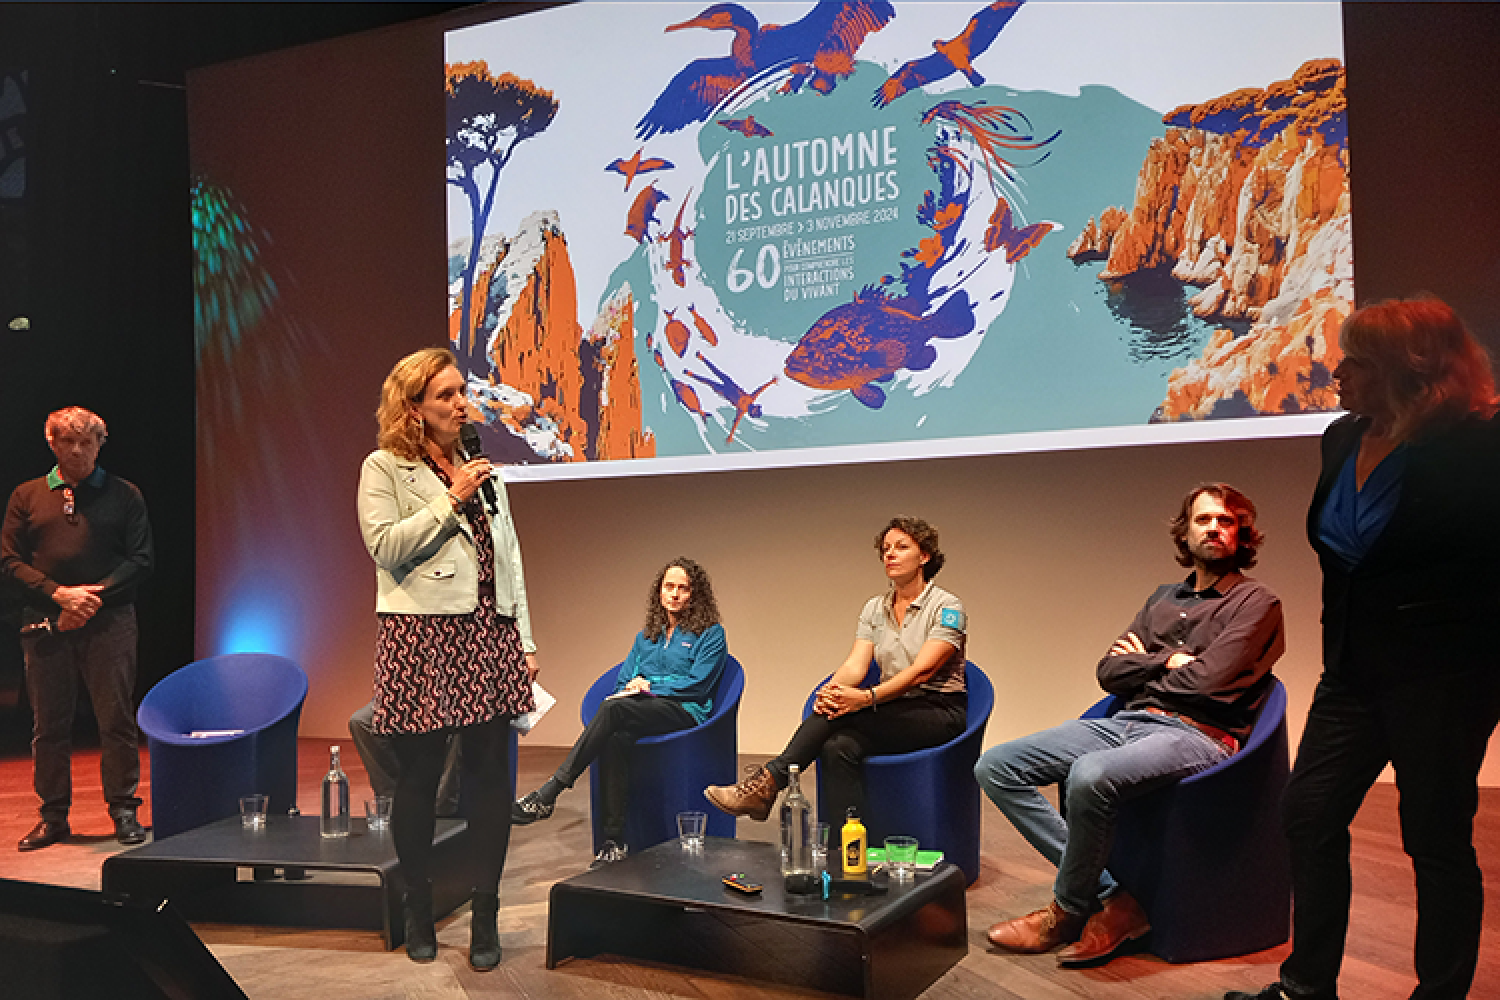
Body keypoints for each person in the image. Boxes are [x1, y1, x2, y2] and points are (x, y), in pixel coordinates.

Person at [1228, 297, 1500, 1000]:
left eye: (1356, 360)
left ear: (1410, 373)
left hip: (1443, 681)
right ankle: (1305, 987)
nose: (1338, 369)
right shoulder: (1341, 436)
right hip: (1351, 672)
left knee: (1435, 841)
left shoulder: (1477, 449)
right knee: (1308, 815)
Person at [978, 483, 1284, 967]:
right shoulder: (1162, 599)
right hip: (1126, 720)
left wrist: (1149, 663)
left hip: (1195, 734)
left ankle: (1067, 910)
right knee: (996, 766)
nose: (1214, 529)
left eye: (1226, 522)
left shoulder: (1257, 603)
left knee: (1090, 775)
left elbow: (1209, 684)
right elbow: (1108, 672)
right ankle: (1115, 898)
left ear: (1242, 535)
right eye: (1203, 520)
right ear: (1185, 532)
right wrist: (1171, 662)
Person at [358, 347, 537, 970]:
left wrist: (526, 639)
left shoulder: (480, 465)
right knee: (419, 775)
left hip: (488, 633)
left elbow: (508, 556)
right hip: (422, 633)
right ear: (414, 406)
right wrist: (450, 498)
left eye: (463, 392)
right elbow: (384, 547)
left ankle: (484, 911)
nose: (464, 403)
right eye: (448, 395)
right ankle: (416, 901)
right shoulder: (385, 466)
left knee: (490, 774)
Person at [704, 516, 966, 827]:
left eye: (900, 547)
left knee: (842, 715)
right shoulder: (874, 608)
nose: (889, 555)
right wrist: (829, 691)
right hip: (894, 708)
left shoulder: (947, 606)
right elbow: (856, 664)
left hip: (938, 709)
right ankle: (849, 851)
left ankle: (767, 784)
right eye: (885, 549)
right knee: (836, 747)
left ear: (924, 556)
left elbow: (924, 670)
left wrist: (865, 698)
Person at [2, 407, 153, 851]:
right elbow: (9, 561)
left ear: (100, 445)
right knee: (49, 724)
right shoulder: (27, 495)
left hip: (110, 623)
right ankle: (52, 817)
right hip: (46, 623)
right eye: (68, 441)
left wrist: (90, 598)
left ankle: (124, 811)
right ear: (52, 444)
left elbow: (142, 560)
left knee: (116, 721)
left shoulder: (125, 495)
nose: (78, 450)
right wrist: (58, 596)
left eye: (87, 442)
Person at [511, 557, 728, 866]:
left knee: (613, 712)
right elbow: (625, 679)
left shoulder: (711, 633)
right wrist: (635, 687)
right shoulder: (646, 637)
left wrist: (651, 685)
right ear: (659, 592)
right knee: (615, 736)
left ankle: (551, 791)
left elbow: (699, 684)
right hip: (644, 710)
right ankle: (614, 843)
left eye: (683, 588)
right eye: (669, 587)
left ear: (696, 594)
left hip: (685, 710)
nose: (675, 595)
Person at [348, 700, 461, 818]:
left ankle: (441, 807)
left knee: (455, 721)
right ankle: (392, 802)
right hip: (402, 694)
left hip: (446, 694)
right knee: (361, 721)